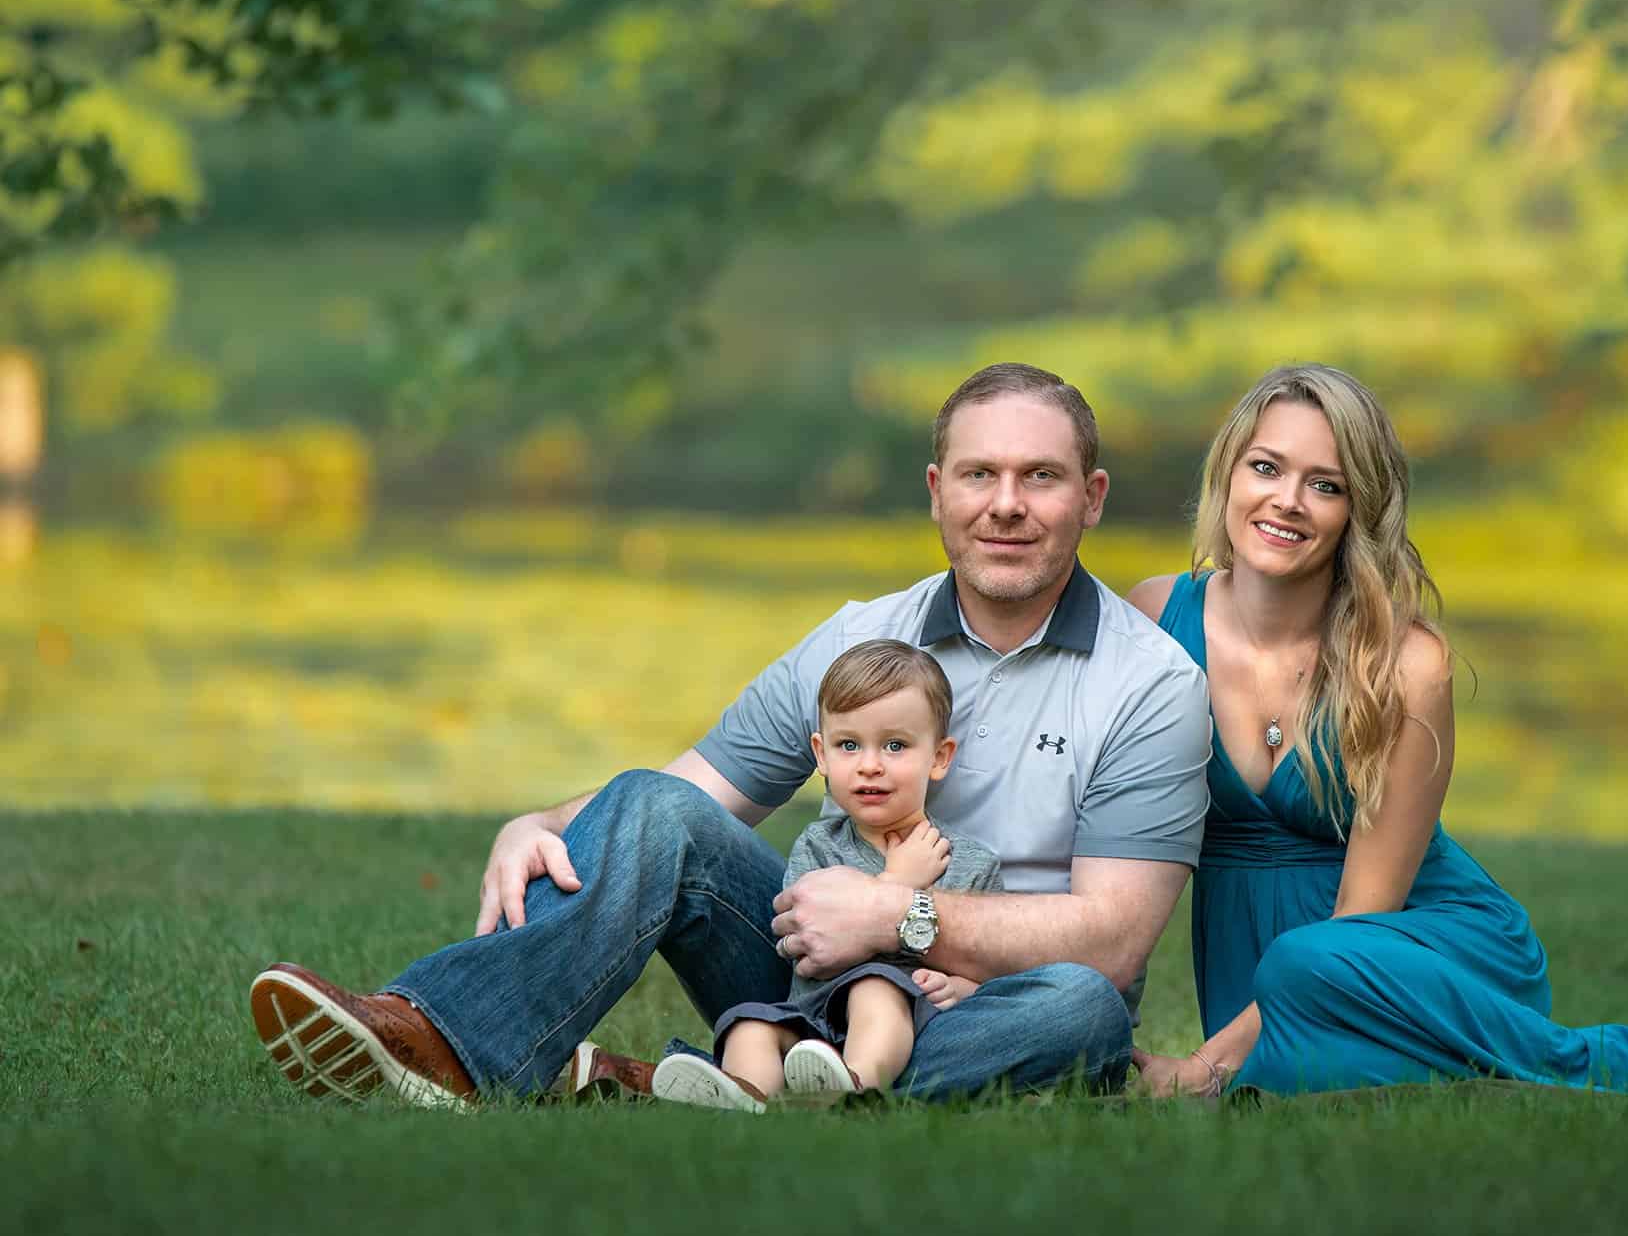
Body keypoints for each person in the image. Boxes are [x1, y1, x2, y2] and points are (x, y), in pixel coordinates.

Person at [249, 362, 1210, 1104]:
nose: (1006, 503)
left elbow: (1114, 942)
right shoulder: (858, 635)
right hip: (809, 978)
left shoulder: (1151, 683)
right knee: (650, 807)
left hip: (992, 1009)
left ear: (1091, 497)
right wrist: (542, 820)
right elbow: (684, 802)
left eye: (1040, 476)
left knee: (1082, 1008)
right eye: (979, 474)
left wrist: (898, 920)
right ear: (935, 490)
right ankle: (444, 1043)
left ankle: (729, 1084)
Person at [1127, 363, 1628, 1098]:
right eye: (1266, 467)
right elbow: (1117, 838)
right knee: (1300, 1079)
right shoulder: (1155, 620)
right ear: (1229, 472)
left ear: (1357, 510)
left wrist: (1200, 1065)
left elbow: (1365, 913)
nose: (1288, 501)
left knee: (1300, 971)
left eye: (1326, 484)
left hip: (1411, 946)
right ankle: (1459, 1071)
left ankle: (1596, 1066)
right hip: (1262, 957)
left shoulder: (1405, 664)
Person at [650, 639, 1004, 1110]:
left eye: (895, 745)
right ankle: (747, 1097)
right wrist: (895, 885)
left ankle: (853, 1089)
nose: (870, 764)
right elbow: (805, 953)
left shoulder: (971, 863)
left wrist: (967, 988)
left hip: (915, 1024)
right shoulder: (818, 847)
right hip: (812, 1017)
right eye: (848, 745)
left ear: (939, 757)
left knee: (876, 988)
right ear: (821, 754)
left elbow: (996, 967)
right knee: (748, 1025)